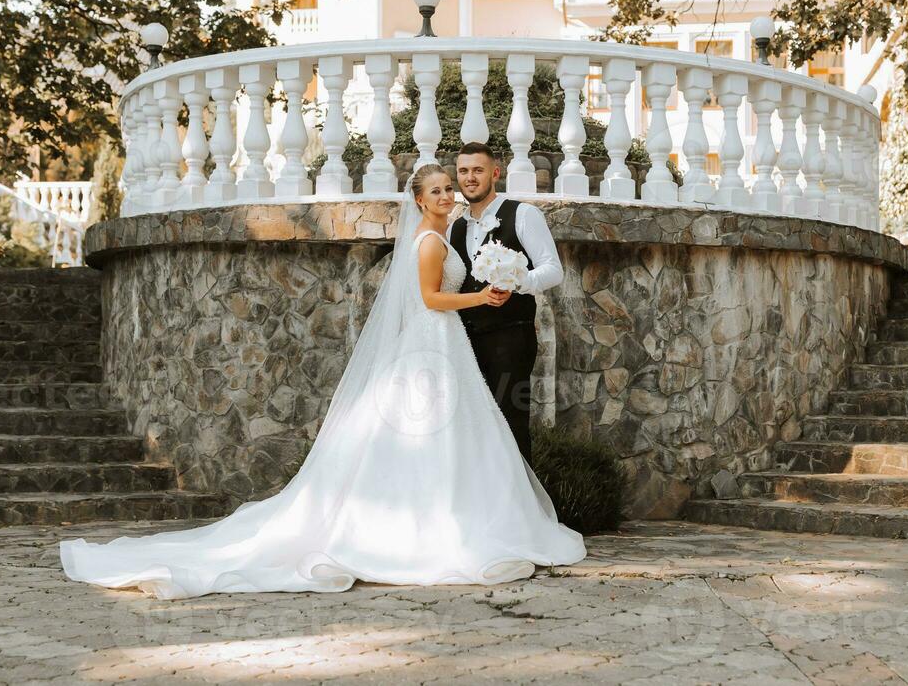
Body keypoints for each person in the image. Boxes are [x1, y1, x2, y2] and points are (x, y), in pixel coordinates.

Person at [58, 162, 585, 599]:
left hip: (445, 344)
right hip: (434, 340)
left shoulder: (443, 235)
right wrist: (480, 298)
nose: (448, 194)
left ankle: (448, 515)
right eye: (439, 190)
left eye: (451, 187)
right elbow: (430, 300)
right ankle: (425, 528)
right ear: (420, 200)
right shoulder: (429, 242)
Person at [450, 142, 564, 463]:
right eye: (463, 171)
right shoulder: (455, 227)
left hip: (510, 337)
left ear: (494, 174)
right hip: (465, 342)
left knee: (511, 424)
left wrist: (517, 283)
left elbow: (553, 270)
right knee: (471, 428)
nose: (470, 177)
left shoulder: (523, 214)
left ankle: (520, 509)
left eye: (477, 170)